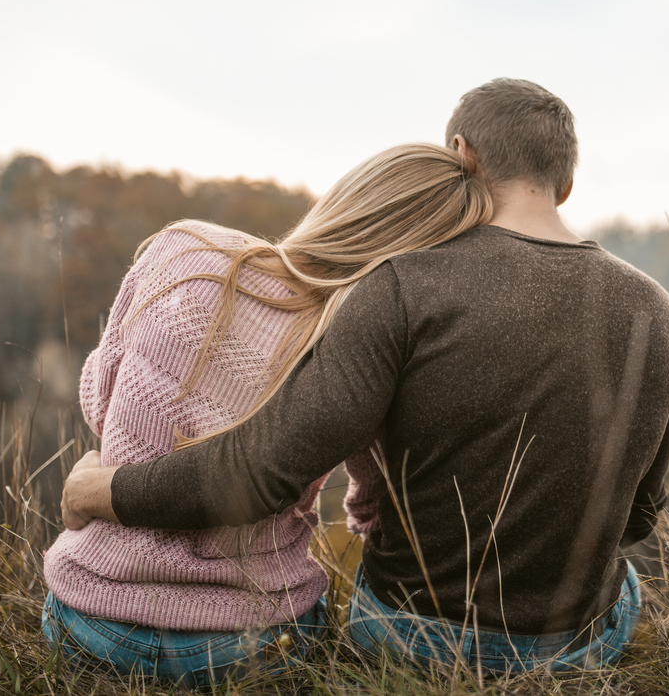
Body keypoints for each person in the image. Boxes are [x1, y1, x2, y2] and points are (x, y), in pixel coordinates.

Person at [61, 78, 669, 674]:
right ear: (567, 182)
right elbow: (638, 518)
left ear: (460, 153)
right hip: (575, 644)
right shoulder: (657, 310)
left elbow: (262, 472)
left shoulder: (400, 287)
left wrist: (98, 492)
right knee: (621, 583)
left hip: (410, 636)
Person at [41, 144, 492, 686]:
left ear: (350, 194)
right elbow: (372, 506)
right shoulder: (363, 344)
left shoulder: (181, 248)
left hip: (90, 620)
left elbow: (100, 396)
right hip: (249, 642)